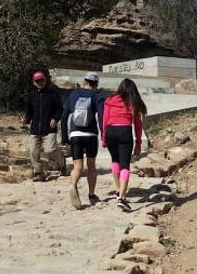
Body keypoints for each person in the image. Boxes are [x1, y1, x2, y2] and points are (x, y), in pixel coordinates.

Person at [60, 72, 105, 209]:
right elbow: (102, 117)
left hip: (75, 135)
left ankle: (73, 185)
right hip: (91, 135)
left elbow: (64, 117)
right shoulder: (98, 96)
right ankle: (91, 195)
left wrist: (64, 137)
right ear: (96, 84)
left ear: (84, 81)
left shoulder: (73, 95)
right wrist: (104, 134)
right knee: (91, 165)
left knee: (77, 166)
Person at [101, 78, 147, 211]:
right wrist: (138, 142)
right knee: (125, 165)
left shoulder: (109, 100)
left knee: (115, 160)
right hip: (125, 132)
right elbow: (138, 125)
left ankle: (118, 190)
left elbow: (105, 120)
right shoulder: (133, 102)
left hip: (110, 131)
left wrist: (104, 137)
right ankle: (122, 197)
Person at [22, 70, 63, 181]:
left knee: (50, 150)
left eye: (42, 80)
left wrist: (55, 119)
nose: (40, 82)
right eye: (37, 80)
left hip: (49, 128)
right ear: (34, 82)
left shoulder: (53, 93)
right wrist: (26, 119)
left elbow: (60, 109)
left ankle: (62, 164)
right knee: (33, 151)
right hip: (35, 129)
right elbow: (29, 111)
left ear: (45, 80)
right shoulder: (31, 95)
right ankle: (39, 172)